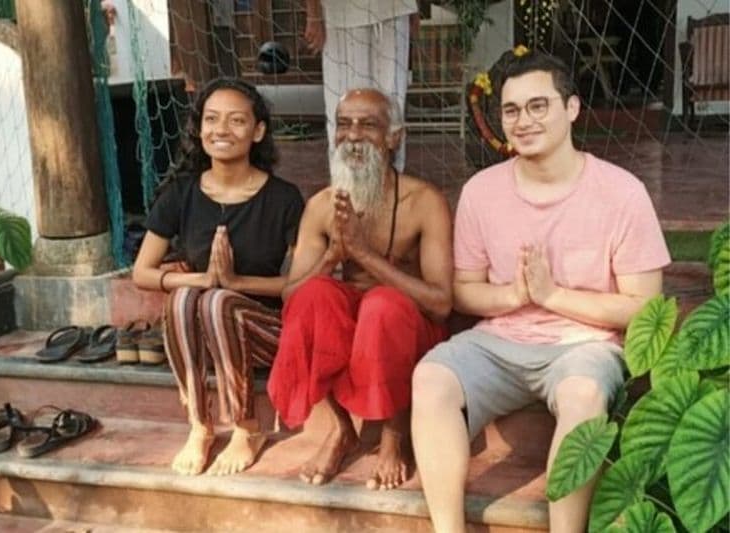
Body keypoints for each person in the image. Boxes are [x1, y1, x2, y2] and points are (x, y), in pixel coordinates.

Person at [411, 51, 671, 532]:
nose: (523, 121)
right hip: (499, 341)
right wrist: (515, 295)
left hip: (586, 344)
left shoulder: (622, 192)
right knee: (432, 378)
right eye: (511, 110)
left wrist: (552, 296)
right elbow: (464, 292)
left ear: (571, 108)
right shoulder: (482, 191)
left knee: (583, 395)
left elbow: (643, 308)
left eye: (538, 106)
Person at [266, 87, 453, 490]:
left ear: (394, 137)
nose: (353, 136)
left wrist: (364, 255)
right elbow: (290, 296)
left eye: (368, 125)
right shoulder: (322, 205)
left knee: (382, 305)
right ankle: (341, 428)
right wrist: (333, 256)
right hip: (356, 325)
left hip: (407, 325)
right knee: (313, 296)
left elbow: (440, 304)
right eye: (344, 124)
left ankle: (393, 435)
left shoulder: (424, 202)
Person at [133, 78, 304, 476]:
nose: (221, 130)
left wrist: (234, 283)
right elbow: (142, 272)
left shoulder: (284, 198)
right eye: (211, 119)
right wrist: (201, 279)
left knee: (217, 301)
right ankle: (200, 425)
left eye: (236, 120)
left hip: (266, 332)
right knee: (186, 298)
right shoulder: (181, 193)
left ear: (257, 131)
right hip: (201, 338)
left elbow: (298, 284)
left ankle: (246, 427)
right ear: (199, 129)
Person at [303, 0, 419, 171]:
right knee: (345, 106)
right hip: (342, 15)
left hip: (394, 8)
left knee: (391, 109)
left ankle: (391, 179)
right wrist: (314, 15)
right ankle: (344, 180)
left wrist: (413, 8)